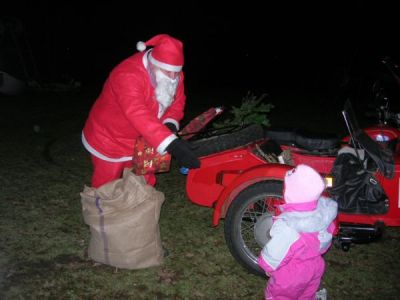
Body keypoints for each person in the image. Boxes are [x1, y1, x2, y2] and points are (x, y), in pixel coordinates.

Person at [82, 34, 200, 188]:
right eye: (167, 72)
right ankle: (101, 211)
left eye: (176, 72)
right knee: (106, 184)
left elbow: (177, 102)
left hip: (147, 136)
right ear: (153, 63)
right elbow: (137, 112)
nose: (172, 78)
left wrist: (169, 124)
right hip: (110, 136)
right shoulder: (127, 74)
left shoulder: (175, 74)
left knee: (145, 181)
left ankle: (141, 209)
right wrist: (172, 144)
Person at [258, 164, 338, 300]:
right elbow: (325, 241)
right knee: (307, 294)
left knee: (280, 296)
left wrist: (267, 265)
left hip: (291, 273)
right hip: (315, 267)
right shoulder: (323, 215)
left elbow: (275, 251)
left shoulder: (289, 226)